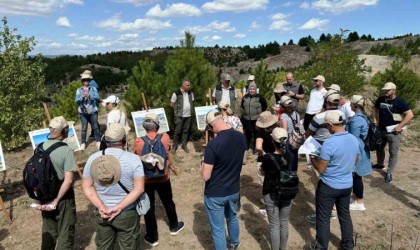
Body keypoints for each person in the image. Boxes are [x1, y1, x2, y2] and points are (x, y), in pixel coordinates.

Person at [82, 123, 145, 249]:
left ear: (105, 139)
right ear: (124, 140)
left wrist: (101, 207)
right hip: (127, 211)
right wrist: (119, 207)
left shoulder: (93, 158)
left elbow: (87, 186)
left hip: (103, 213)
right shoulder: (133, 159)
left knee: (104, 246)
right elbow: (139, 188)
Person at [133, 113, 184, 247]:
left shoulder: (138, 142)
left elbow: (136, 157)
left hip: (147, 179)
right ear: (157, 125)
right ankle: (174, 226)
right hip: (163, 177)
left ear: (144, 126)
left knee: (149, 208)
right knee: (168, 202)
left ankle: (152, 237)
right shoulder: (165, 138)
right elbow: (167, 153)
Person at [310, 111, 359, 250]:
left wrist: (313, 157)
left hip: (329, 186)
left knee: (323, 217)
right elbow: (356, 159)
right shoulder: (353, 139)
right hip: (347, 184)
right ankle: (348, 245)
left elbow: (320, 168)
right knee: (344, 214)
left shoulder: (329, 143)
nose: (327, 128)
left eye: (327, 125)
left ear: (331, 125)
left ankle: (321, 247)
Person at [201, 111, 247, 250]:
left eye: (210, 128)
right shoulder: (241, 137)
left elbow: (205, 176)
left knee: (218, 229)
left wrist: (202, 162)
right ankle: (234, 244)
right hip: (233, 189)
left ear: (213, 124)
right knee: (232, 217)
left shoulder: (213, 145)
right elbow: (244, 161)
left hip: (215, 193)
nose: (211, 130)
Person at [37, 116, 77, 250]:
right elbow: (69, 179)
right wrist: (56, 200)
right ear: (63, 131)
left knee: (49, 232)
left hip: (44, 196)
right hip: (63, 197)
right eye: (67, 128)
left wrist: (38, 201)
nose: (68, 130)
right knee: (66, 233)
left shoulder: (39, 147)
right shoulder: (66, 150)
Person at [372, 82, 414, 183]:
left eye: (388, 90)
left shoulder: (400, 102)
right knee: (379, 148)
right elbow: (374, 109)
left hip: (393, 132)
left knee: (393, 152)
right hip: (381, 130)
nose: (385, 91)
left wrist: (400, 126)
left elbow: (410, 115)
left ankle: (389, 172)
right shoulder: (381, 99)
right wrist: (374, 121)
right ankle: (380, 164)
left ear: (394, 90)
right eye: (385, 90)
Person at [260, 127, 293, 250]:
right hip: (287, 191)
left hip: (271, 192)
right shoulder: (290, 156)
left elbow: (263, 170)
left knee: (274, 224)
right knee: (284, 222)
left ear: (272, 141)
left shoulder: (268, 158)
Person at [347, 95, 371, 211]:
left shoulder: (356, 120)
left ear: (356, 105)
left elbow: (353, 138)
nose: (350, 105)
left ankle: (360, 202)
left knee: (357, 175)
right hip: (361, 148)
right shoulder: (362, 117)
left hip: (358, 150)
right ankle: (355, 196)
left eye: (351, 103)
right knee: (356, 175)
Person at [75, 71, 101, 150]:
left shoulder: (93, 89)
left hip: (92, 111)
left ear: (89, 80)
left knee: (95, 126)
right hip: (83, 112)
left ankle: (98, 141)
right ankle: (83, 143)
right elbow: (76, 101)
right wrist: (82, 97)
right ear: (82, 81)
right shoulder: (79, 90)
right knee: (84, 128)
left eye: (87, 80)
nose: (86, 82)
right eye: (84, 80)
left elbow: (98, 98)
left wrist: (90, 96)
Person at [241, 82, 267, 150]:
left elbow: (264, 106)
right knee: (248, 133)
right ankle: (246, 146)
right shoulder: (245, 97)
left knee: (256, 133)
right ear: (248, 89)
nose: (252, 90)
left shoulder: (260, 97)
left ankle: (256, 147)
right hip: (247, 119)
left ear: (255, 89)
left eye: (253, 89)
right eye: (250, 89)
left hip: (256, 119)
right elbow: (242, 106)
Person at [170, 79, 194, 153]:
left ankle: (184, 145)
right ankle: (174, 146)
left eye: (189, 85)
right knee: (177, 131)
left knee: (185, 131)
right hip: (179, 116)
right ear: (183, 85)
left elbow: (191, 102)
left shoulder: (190, 93)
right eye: (187, 85)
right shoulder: (176, 93)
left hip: (188, 115)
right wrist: (177, 111)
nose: (189, 86)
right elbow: (171, 104)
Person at [279, 95, 300, 171]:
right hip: (296, 138)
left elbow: (284, 130)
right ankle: (294, 172)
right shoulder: (296, 113)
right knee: (295, 157)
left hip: (288, 139)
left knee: (288, 158)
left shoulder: (284, 116)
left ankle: (289, 174)